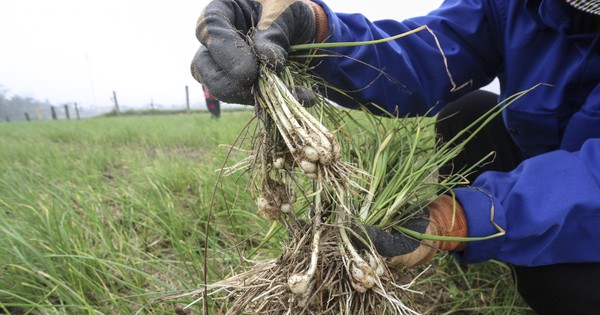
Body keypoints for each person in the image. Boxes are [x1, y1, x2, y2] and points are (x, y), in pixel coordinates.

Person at [190, 0, 600, 313]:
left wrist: (460, 218)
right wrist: (315, 31)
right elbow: (429, 53)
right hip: (547, 153)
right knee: (468, 111)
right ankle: (510, 240)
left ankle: (507, 238)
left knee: (562, 289)